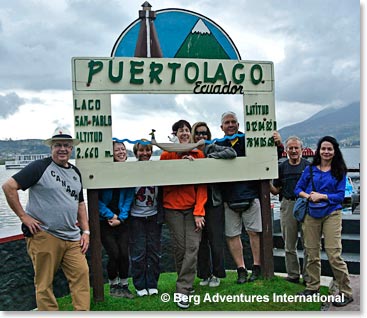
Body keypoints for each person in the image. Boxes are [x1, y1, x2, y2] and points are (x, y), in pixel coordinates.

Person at [2, 127, 90, 311]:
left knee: (81, 276)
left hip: (73, 237)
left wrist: (86, 231)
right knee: (44, 284)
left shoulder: (75, 172)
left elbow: (80, 204)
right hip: (45, 235)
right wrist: (23, 217)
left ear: (72, 148)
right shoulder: (39, 167)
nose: (62, 149)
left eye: (66, 145)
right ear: (51, 147)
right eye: (58, 145)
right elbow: (9, 186)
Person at [294, 136, 353, 307]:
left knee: (334, 254)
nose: (326, 152)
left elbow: (340, 196)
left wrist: (323, 196)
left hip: (332, 213)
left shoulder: (339, 171)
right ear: (318, 151)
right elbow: (298, 189)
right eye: (323, 149)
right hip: (311, 213)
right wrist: (309, 196)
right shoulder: (310, 170)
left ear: (335, 151)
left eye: (330, 149)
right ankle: (313, 287)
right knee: (311, 252)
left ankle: (346, 291)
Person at [160, 119, 207, 309]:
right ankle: (186, 283)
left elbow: (202, 186)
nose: (185, 133)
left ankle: (183, 289)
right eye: (181, 130)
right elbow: (165, 182)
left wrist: (199, 211)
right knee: (180, 249)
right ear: (175, 134)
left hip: (193, 210)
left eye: (187, 130)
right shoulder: (166, 155)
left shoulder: (199, 154)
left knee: (193, 247)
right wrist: (181, 164)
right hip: (172, 208)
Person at [215, 111, 262, 283]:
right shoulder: (216, 144)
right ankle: (241, 269)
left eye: (233, 121)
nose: (230, 125)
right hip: (228, 198)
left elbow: (268, 156)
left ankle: (257, 266)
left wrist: (278, 144)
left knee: (254, 233)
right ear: (222, 127)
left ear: (238, 124)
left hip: (251, 195)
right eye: (227, 122)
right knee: (232, 235)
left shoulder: (250, 141)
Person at [190, 121, 237, 287]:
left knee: (215, 239)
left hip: (214, 201)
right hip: (195, 203)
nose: (201, 136)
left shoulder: (212, 148)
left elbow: (231, 152)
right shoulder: (189, 151)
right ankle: (204, 274)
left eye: (204, 133)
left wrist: (209, 158)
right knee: (200, 241)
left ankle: (217, 274)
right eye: (198, 133)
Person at [270, 135, 310, 285]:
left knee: (309, 244)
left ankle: (308, 277)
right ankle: (293, 275)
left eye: (296, 148)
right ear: (286, 150)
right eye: (290, 148)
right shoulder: (282, 167)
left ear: (301, 150)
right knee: (289, 244)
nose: (293, 150)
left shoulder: (308, 167)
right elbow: (275, 190)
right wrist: (265, 180)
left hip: (306, 205)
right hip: (287, 204)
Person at [98, 141, 134, 299]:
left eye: (123, 149)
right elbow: (96, 201)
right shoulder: (103, 173)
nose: (121, 152)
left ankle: (125, 285)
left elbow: (129, 198)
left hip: (122, 221)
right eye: (117, 150)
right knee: (114, 253)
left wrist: (121, 218)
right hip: (105, 222)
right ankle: (113, 284)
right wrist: (110, 215)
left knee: (124, 254)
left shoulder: (128, 172)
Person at [129, 140, 162, 297]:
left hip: (154, 215)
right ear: (136, 153)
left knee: (154, 252)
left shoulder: (157, 169)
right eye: (141, 150)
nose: (145, 153)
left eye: (148, 150)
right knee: (138, 252)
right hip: (136, 218)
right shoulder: (132, 170)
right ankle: (139, 284)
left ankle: (152, 283)